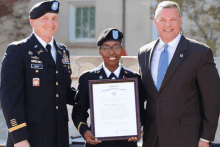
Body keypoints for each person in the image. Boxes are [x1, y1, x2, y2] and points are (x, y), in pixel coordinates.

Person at [138, 1, 220, 147]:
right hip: (152, 139)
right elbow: (143, 94)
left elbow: (212, 99)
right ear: (156, 22)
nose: (167, 25)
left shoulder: (200, 53)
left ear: (180, 21)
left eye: (173, 20)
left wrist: (206, 138)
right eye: (162, 20)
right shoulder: (144, 53)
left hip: (186, 138)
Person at [0, 1, 76, 147]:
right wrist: (19, 137)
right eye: (44, 19)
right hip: (29, 138)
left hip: (59, 137)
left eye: (54, 18)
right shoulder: (18, 51)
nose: (50, 23)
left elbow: (64, 91)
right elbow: (9, 98)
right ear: (32, 22)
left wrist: (93, 96)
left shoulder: (63, 51)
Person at [72, 28, 146, 147]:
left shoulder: (135, 79)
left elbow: (141, 111)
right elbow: (78, 111)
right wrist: (85, 132)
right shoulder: (88, 78)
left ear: (121, 49)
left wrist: (138, 127)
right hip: (97, 143)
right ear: (100, 51)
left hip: (126, 143)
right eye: (106, 48)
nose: (112, 52)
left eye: (116, 47)